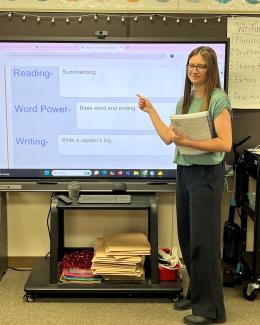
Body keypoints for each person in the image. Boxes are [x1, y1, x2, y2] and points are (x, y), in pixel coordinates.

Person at [137, 46, 232, 325]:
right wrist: (151, 110)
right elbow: (169, 137)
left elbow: (224, 143)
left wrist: (189, 142)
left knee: (205, 242)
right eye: (191, 65)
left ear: (210, 69)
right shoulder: (185, 101)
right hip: (186, 173)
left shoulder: (218, 99)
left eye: (200, 66)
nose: (194, 70)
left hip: (206, 175)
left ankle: (211, 310)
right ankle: (196, 293)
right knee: (189, 239)